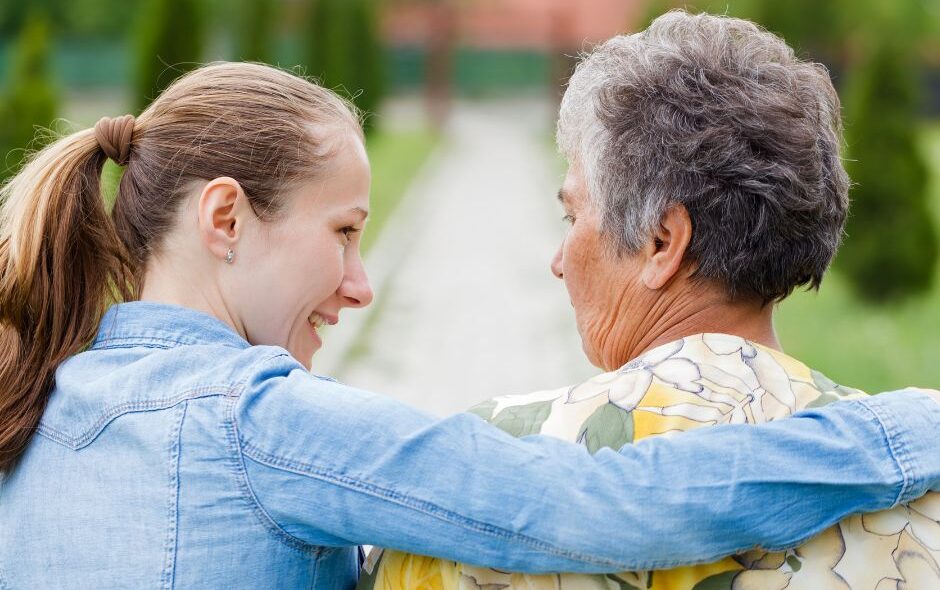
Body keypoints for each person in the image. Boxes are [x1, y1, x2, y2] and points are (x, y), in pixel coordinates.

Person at [0, 61, 938, 589]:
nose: (361, 285)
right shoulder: (261, 426)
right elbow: (596, 506)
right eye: (344, 232)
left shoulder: (32, 404)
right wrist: (901, 428)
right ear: (226, 219)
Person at [361, 11, 940, 590]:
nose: (558, 261)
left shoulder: (484, 476)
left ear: (662, 241)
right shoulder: (919, 492)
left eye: (572, 215)